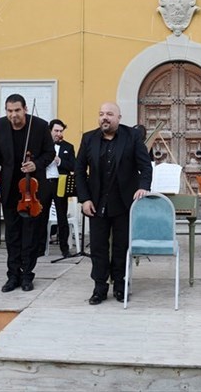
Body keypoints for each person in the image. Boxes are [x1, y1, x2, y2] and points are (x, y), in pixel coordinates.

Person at [75, 102, 152, 305]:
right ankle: (100, 287)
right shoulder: (88, 138)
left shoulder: (132, 137)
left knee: (121, 246)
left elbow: (145, 166)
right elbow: (80, 171)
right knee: (98, 247)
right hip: (96, 203)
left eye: (109, 114)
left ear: (119, 117)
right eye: (101, 114)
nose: (104, 118)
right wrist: (84, 199)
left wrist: (143, 187)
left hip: (124, 202)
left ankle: (120, 285)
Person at [0, 94, 55, 292]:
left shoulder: (40, 126)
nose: (13, 115)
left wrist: (36, 163)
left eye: (17, 110)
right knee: (12, 234)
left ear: (24, 109)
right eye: (9, 111)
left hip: (32, 189)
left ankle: (27, 275)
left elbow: (50, 153)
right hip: (9, 188)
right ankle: (13, 275)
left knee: (31, 233)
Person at [41, 118, 76, 258]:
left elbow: (73, 165)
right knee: (42, 216)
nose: (59, 134)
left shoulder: (68, 147)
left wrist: (59, 161)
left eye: (61, 131)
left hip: (60, 182)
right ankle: (40, 247)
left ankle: (64, 248)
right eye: (56, 131)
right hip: (45, 183)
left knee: (62, 216)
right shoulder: (42, 146)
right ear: (50, 131)